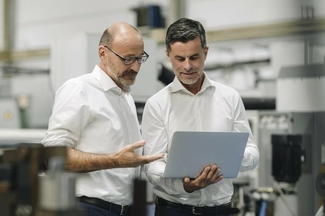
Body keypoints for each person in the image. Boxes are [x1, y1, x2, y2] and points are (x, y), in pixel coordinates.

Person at [42, 22, 164, 216]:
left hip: (126, 210)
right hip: (89, 208)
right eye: (128, 59)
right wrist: (114, 160)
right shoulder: (79, 90)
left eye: (140, 58)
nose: (136, 67)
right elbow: (54, 156)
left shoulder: (126, 98)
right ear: (103, 53)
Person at [141, 18, 260, 216]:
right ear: (168, 55)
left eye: (194, 57)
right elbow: (152, 166)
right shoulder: (157, 104)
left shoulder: (229, 97)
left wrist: (229, 157)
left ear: (206, 52)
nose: (187, 66)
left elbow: (253, 154)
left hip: (220, 210)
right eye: (180, 59)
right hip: (174, 210)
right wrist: (186, 186)